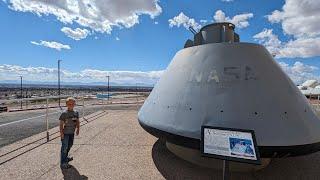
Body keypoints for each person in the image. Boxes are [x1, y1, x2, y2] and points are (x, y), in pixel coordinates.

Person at [59, 97, 80, 169]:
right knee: (64, 147)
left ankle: (66, 157)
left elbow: (77, 121)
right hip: (65, 133)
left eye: (72, 104)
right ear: (66, 104)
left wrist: (78, 129)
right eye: (69, 104)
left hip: (72, 133)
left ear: (75, 104)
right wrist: (61, 133)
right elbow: (61, 124)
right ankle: (63, 162)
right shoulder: (64, 114)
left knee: (70, 145)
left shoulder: (76, 112)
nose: (71, 105)